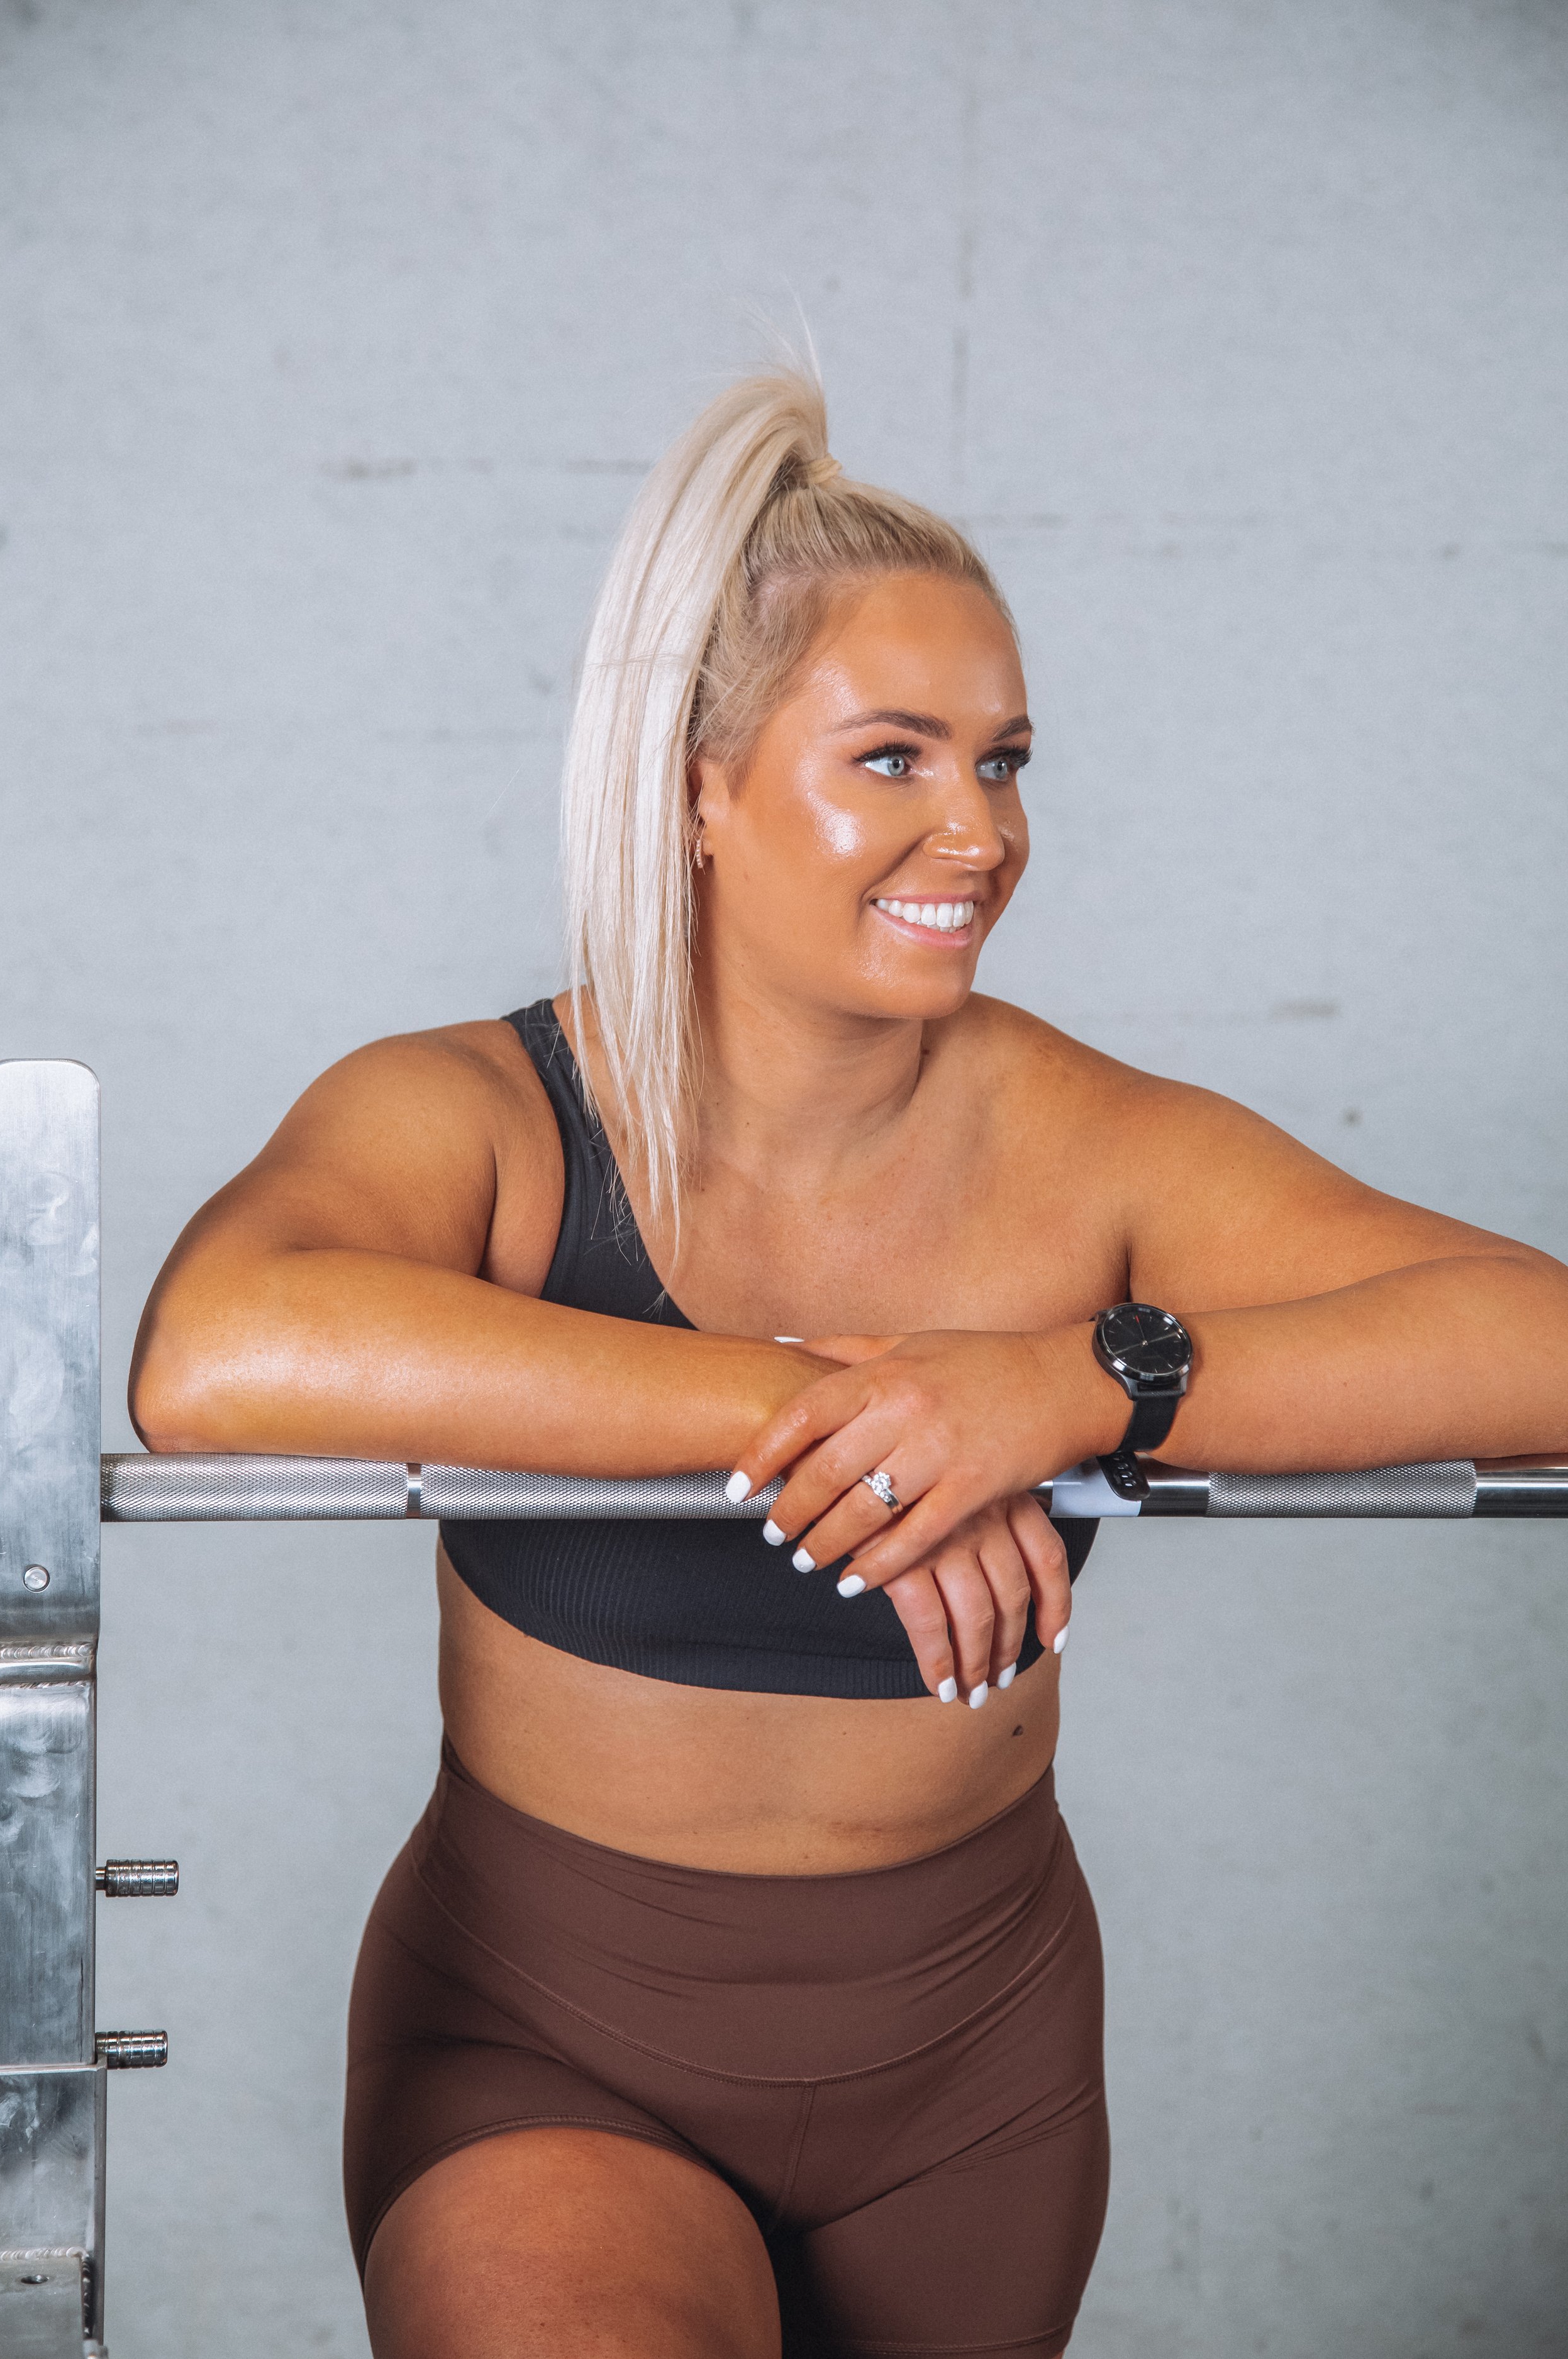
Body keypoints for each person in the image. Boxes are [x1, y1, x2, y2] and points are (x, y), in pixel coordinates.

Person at [129, 367, 1568, 2359]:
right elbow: (214, 1351)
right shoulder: (488, 1113)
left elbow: (1541, 1341)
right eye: (889, 759)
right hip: (551, 2046)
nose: (973, 831)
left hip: (972, 2075)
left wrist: (1077, 1383)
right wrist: (851, 1418)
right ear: (698, 785)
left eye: (1006, 761)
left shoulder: (1092, 1144)